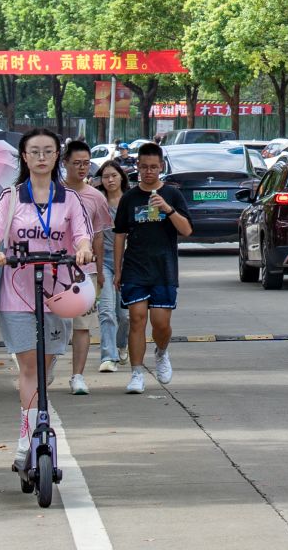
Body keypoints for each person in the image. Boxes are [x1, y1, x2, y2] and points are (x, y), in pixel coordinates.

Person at [0, 129, 95, 471]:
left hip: (57, 293)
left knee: (44, 367)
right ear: (25, 157)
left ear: (57, 156)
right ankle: (25, 440)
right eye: (35, 151)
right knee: (30, 367)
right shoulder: (11, 196)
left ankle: (35, 426)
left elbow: (82, 235)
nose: (42, 157)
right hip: (17, 293)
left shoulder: (69, 198)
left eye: (48, 151)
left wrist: (83, 250)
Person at [114, 142, 190, 394]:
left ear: (161, 167)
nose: (148, 171)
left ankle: (162, 352)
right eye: (144, 167)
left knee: (160, 323)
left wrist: (168, 209)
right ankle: (136, 373)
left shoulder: (172, 195)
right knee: (136, 319)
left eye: (153, 167)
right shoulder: (129, 198)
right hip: (135, 267)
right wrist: (117, 269)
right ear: (137, 166)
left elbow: (187, 230)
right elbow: (119, 234)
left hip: (164, 268)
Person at [61, 140, 113, 393]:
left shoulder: (96, 197)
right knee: (54, 324)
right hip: (54, 270)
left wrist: (100, 272)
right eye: (77, 163)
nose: (82, 168)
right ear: (65, 163)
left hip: (85, 272)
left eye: (86, 163)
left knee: (82, 326)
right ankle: (47, 366)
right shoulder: (51, 192)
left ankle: (77, 376)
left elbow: (99, 237)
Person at [92, 162, 130, 371]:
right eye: (106, 176)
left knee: (124, 315)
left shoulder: (130, 200)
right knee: (106, 311)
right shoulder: (98, 201)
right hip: (103, 260)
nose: (110, 180)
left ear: (121, 177)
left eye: (114, 175)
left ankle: (121, 344)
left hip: (128, 261)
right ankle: (108, 357)